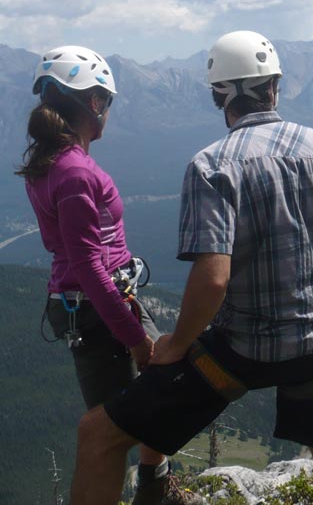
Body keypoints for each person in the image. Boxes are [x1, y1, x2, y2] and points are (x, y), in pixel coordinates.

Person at [70, 30, 313, 505]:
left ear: (218, 96)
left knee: (97, 435)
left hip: (236, 351)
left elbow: (214, 278)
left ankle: (149, 483)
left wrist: (177, 345)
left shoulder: (212, 165)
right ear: (275, 86)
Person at [17, 45, 190, 505]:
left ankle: (154, 484)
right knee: (113, 428)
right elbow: (88, 266)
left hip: (97, 304)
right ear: (94, 104)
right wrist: (133, 335)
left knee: (158, 390)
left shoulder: (55, 164)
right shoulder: (73, 173)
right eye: (107, 102)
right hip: (97, 307)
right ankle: (150, 487)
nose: (109, 112)